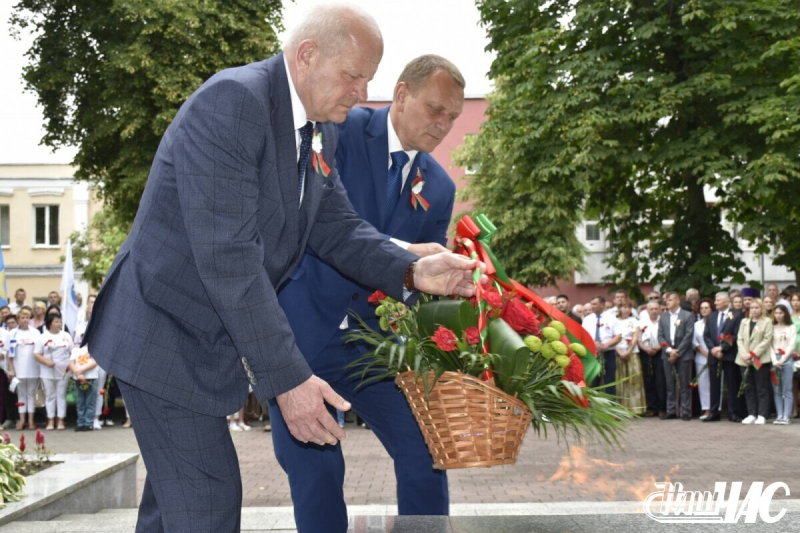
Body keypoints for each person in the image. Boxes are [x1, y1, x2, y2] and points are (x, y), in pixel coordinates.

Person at [81, 7, 484, 533]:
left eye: (367, 80)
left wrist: (413, 271)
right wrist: (290, 380)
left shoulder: (319, 130)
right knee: (208, 503)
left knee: (171, 512)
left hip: (200, 341)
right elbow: (230, 259)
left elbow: (336, 227)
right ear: (307, 54)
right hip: (162, 335)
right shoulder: (235, 102)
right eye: (353, 76)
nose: (362, 93)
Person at [273, 54, 463, 531]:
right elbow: (316, 222)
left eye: (453, 118)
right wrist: (406, 254)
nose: (443, 125)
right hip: (301, 335)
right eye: (436, 109)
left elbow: (419, 288)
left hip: (375, 347)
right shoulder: (339, 129)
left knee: (426, 443)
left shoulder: (438, 186)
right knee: (317, 469)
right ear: (401, 94)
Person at [703, 291, 745, 422]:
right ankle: (714, 412)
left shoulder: (737, 315)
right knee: (714, 385)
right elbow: (707, 335)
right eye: (715, 300)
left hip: (729, 355)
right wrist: (714, 349)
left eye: (718, 300)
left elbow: (736, 334)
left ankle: (733, 412)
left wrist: (722, 348)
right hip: (714, 355)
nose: (715, 303)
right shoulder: (711, 317)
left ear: (726, 302)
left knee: (732, 384)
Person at [657, 291, 695, 420]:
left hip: (683, 354)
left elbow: (688, 336)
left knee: (684, 384)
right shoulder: (663, 317)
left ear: (678, 301)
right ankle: (671, 410)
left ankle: (685, 411)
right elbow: (660, 336)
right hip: (667, 354)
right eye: (666, 300)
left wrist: (677, 351)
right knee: (670, 383)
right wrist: (669, 350)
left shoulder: (688, 315)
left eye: (670, 300)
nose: (667, 302)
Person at [736, 299, 773, 425]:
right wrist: (744, 355)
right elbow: (739, 339)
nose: (754, 310)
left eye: (757, 307)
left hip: (760, 359)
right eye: (752, 308)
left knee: (761, 387)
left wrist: (753, 354)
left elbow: (766, 340)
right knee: (748, 387)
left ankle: (762, 414)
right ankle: (751, 413)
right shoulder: (744, 322)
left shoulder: (766, 321)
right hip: (744, 359)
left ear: (761, 308)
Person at [34, 314, 72, 430]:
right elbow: (36, 354)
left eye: (60, 322)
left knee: (60, 395)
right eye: (56, 322)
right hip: (47, 371)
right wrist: (46, 362)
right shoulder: (42, 337)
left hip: (64, 371)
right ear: (49, 323)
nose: (59, 324)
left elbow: (72, 352)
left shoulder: (66, 335)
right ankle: (50, 419)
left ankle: (60, 419)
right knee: (50, 395)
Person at [7, 307, 41, 430]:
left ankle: (31, 421)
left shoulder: (35, 332)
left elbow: (39, 351)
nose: (25, 320)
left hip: (33, 369)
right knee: (21, 394)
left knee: (31, 394)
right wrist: (11, 369)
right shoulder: (13, 333)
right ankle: (21, 420)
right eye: (22, 318)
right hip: (18, 368)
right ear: (18, 319)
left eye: (27, 317)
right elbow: (8, 354)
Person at [582, 296, 620, 396]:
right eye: (591, 304)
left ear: (602, 305)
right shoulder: (587, 319)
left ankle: (610, 406)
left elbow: (618, 336)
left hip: (608, 353)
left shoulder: (612, 318)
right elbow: (583, 336)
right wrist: (594, 344)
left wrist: (606, 345)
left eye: (595, 304)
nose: (592, 306)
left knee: (609, 382)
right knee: (594, 382)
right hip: (592, 354)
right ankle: (593, 407)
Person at [614, 302, 644, 414]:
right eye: (624, 307)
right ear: (619, 308)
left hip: (632, 353)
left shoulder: (634, 321)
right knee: (619, 380)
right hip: (618, 353)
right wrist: (620, 352)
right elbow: (613, 338)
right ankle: (620, 408)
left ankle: (635, 407)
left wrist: (628, 352)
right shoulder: (614, 321)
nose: (626, 310)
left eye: (628, 307)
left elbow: (635, 338)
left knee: (633, 380)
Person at [638, 300, 666, 417]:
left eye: (656, 309)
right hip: (646, 352)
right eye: (651, 309)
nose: (654, 311)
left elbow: (666, 337)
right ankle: (651, 407)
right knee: (648, 380)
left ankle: (662, 408)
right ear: (647, 310)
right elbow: (638, 339)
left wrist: (658, 347)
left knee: (660, 381)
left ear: (659, 309)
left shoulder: (663, 321)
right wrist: (645, 348)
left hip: (660, 352)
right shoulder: (641, 323)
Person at [770, 304, 796, 425]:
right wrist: (775, 361)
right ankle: (779, 414)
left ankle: (787, 415)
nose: (778, 315)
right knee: (777, 389)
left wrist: (782, 360)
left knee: (787, 389)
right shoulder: (772, 327)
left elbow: (791, 345)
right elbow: (769, 345)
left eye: (781, 313)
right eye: (776, 313)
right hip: (774, 358)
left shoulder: (791, 327)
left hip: (786, 359)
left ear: (785, 314)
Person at [692, 298, 714, 420]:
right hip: (701, 357)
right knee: (704, 384)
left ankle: (717, 408)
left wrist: (712, 353)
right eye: (702, 308)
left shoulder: (716, 323)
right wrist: (704, 352)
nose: (704, 310)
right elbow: (694, 342)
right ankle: (706, 409)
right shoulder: (696, 325)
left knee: (716, 383)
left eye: (706, 307)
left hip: (715, 356)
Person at [69, 345, 98, 431]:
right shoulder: (76, 349)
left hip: (91, 378)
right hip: (78, 378)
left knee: (90, 402)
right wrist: (77, 373)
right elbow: (71, 362)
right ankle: (80, 422)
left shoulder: (94, 348)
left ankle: (89, 423)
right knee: (80, 402)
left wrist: (81, 371)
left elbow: (95, 362)